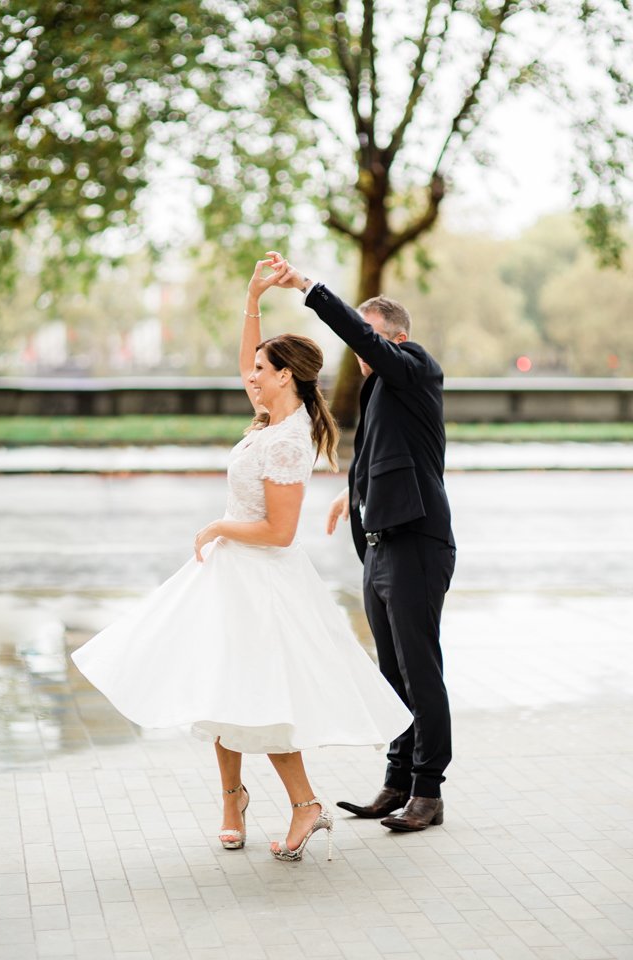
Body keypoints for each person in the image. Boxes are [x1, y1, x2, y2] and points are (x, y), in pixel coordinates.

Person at [71, 258, 413, 862]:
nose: (249, 375)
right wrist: (253, 297)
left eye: (261, 369)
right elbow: (248, 360)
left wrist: (217, 525)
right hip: (229, 575)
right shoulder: (268, 416)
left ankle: (306, 804)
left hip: (261, 580)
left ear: (285, 378)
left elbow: (279, 532)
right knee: (217, 686)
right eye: (253, 368)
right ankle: (233, 798)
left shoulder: (288, 438)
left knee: (258, 697)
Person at [268, 252, 456, 832]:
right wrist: (352, 494)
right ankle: (396, 783)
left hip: (418, 542)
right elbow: (380, 456)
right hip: (380, 543)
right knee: (392, 672)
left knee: (421, 670)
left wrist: (309, 287)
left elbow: (365, 339)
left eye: (371, 338)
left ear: (397, 339)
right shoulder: (381, 395)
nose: (362, 350)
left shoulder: (415, 368)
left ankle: (429, 791)